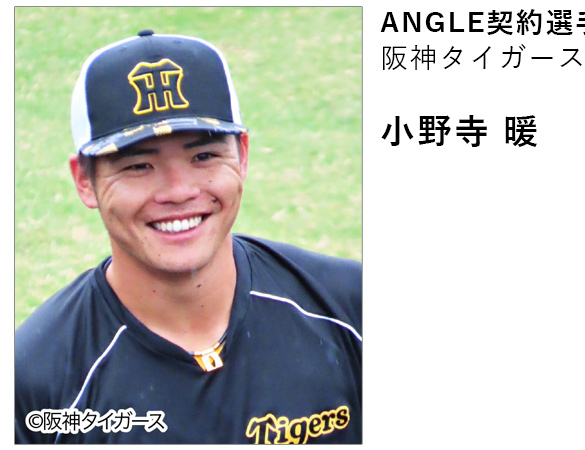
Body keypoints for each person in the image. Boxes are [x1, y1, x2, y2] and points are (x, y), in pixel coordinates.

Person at [14, 30, 362, 444]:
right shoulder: (35, 378)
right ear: (84, 180)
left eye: (204, 156)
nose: (179, 191)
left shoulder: (349, 310)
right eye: (138, 166)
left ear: (242, 156)